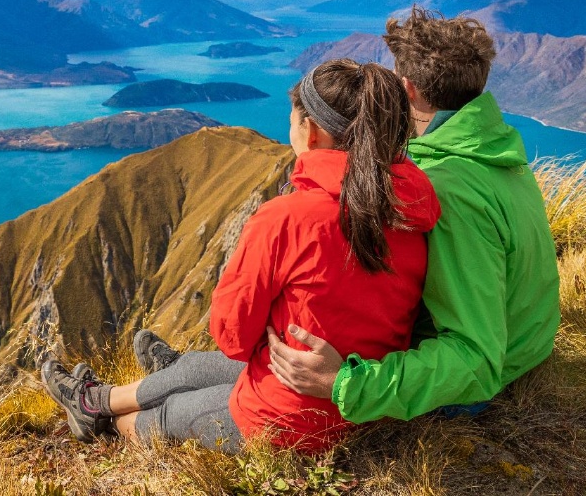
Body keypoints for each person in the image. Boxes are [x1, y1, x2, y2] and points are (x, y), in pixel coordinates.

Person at [39, 58, 440, 452]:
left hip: (291, 422)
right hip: (370, 401)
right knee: (195, 368)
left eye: (293, 118)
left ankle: (103, 426)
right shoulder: (410, 211)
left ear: (312, 131)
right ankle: (98, 399)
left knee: (172, 413)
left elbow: (232, 337)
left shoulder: (289, 217)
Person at [265, 8, 561, 422]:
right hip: (524, 346)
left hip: (477, 381)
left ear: (406, 89)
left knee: (271, 377)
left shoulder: (448, 191)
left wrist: (345, 383)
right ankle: (176, 375)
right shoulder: (493, 150)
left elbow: (475, 358)